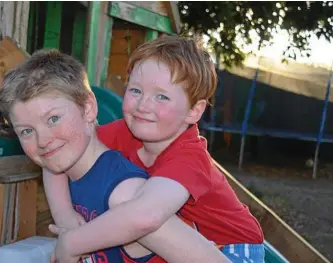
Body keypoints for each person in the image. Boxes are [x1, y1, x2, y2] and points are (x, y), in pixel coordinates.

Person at [45, 36, 265, 263]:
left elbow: (145, 217)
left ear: (194, 111)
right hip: (185, 243)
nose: (143, 105)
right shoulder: (125, 131)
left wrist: (72, 243)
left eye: (161, 96)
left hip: (232, 247)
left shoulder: (189, 157)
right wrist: (65, 217)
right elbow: (64, 151)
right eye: (136, 91)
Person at [0, 49, 229, 263]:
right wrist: (64, 215)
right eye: (27, 131)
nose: (43, 140)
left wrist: (71, 243)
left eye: (53, 119)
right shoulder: (75, 160)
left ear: (88, 109)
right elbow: (51, 166)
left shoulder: (124, 193)